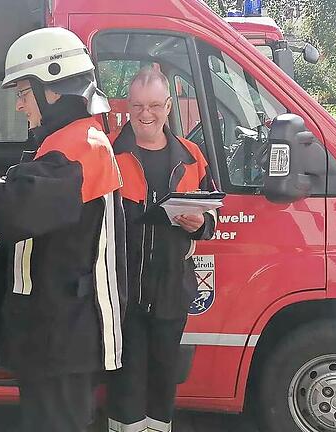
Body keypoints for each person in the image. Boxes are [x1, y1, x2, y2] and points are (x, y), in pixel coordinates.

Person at [0, 27, 127, 432]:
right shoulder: (71, 143)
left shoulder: (79, 148)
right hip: (58, 333)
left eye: (23, 92)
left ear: (51, 90)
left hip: (65, 336)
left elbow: (17, 208)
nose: (20, 106)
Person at [106, 67, 218, 432]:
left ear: (169, 106)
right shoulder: (106, 151)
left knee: (164, 382)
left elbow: (213, 218)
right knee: (126, 384)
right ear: (128, 105)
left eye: (155, 105)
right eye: (137, 105)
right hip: (122, 293)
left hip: (172, 290)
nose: (145, 114)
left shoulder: (191, 156)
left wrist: (201, 225)